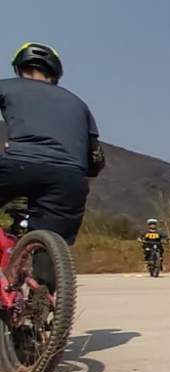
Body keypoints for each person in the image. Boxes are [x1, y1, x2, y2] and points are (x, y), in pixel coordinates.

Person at [0, 42, 105, 247]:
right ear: (55, 73)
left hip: (17, 164)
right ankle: (47, 266)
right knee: (51, 244)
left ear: (19, 68)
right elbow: (96, 158)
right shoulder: (79, 103)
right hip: (69, 178)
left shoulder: (6, 86)